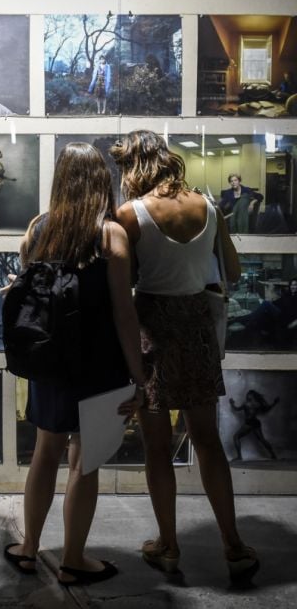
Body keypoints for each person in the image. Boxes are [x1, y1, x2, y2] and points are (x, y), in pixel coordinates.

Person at [112, 129, 258, 581]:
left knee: (157, 447)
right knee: (208, 441)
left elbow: (127, 281)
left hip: (152, 329)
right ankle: (233, 545)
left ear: (132, 166)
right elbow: (230, 269)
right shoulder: (209, 206)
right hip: (197, 326)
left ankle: (168, 546)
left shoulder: (130, 215)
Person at [4, 142, 145, 585]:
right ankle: (73, 559)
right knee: (85, 460)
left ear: (60, 181)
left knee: (45, 453)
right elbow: (124, 313)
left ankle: (28, 548)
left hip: (52, 361)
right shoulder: (110, 235)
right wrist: (140, 377)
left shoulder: (38, 228)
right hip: (100, 364)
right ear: (101, 180)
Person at [229, 390, 279, 461]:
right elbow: (267, 409)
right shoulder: (257, 404)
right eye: (247, 395)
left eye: (249, 395)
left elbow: (237, 408)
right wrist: (274, 403)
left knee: (236, 437)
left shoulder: (247, 404)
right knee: (262, 440)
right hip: (254, 423)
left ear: (252, 396)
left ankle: (239, 457)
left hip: (250, 423)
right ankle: (273, 455)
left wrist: (232, 403)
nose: (247, 396)